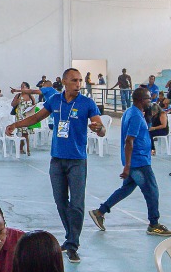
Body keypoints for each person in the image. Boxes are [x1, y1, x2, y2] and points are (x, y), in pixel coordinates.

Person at [7, 68, 106, 259]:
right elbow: (36, 117)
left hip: (77, 161)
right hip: (57, 161)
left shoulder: (87, 103)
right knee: (61, 202)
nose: (78, 84)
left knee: (76, 204)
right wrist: (15, 125)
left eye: (80, 81)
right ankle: (70, 236)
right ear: (65, 82)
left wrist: (99, 128)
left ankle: (72, 243)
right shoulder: (55, 101)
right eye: (75, 81)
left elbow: (100, 129)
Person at [88, 84, 171, 241]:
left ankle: (100, 212)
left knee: (126, 189)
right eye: (149, 98)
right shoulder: (135, 116)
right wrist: (127, 166)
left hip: (136, 159)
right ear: (141, 100)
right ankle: (154, 224)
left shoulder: (133, 112)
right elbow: (129, 140)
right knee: (152, 191)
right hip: (138, 162)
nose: (151, 101)